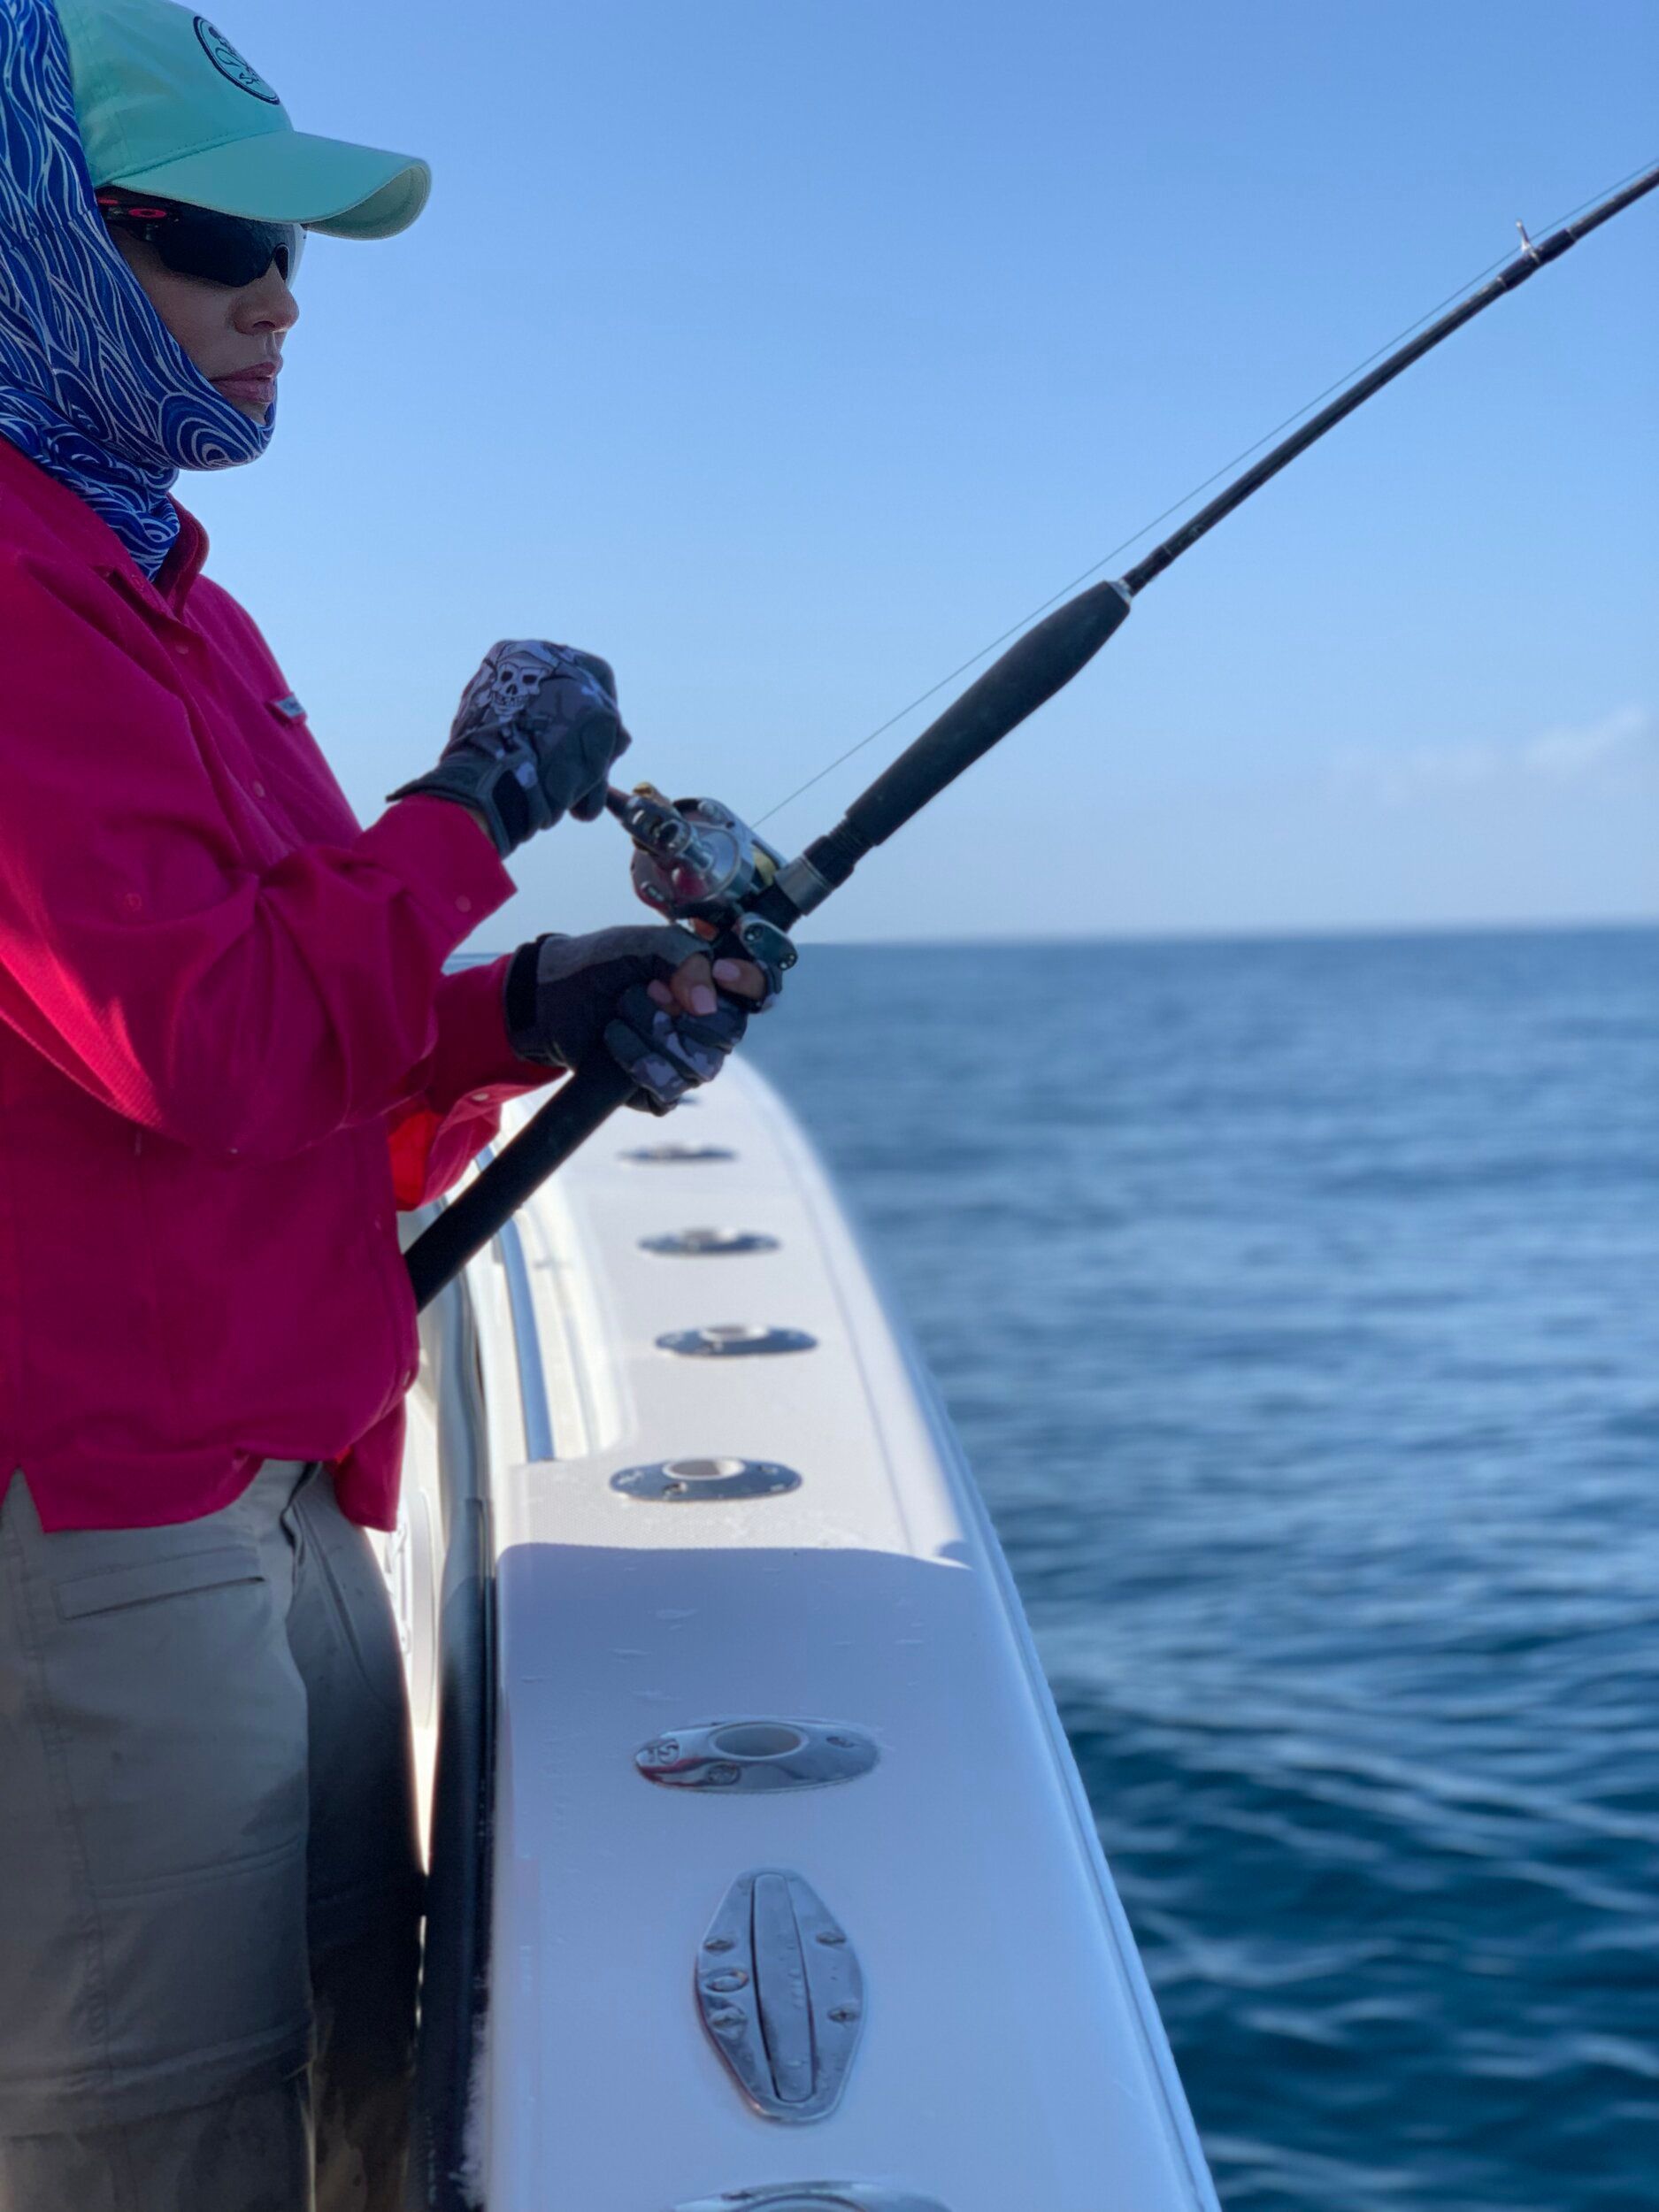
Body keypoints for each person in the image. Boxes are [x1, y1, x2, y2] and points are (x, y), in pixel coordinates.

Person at [0, 3, 783, 2206]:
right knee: (153, 2150)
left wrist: (534, 1002)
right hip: (94, 1533)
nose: (280, 289)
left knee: (368, 2081)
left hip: (277, 1485)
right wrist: (472, 800)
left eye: (298, 243)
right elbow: (218, 1039)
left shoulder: (165, 594)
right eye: (210, 233)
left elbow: (298, 1029)